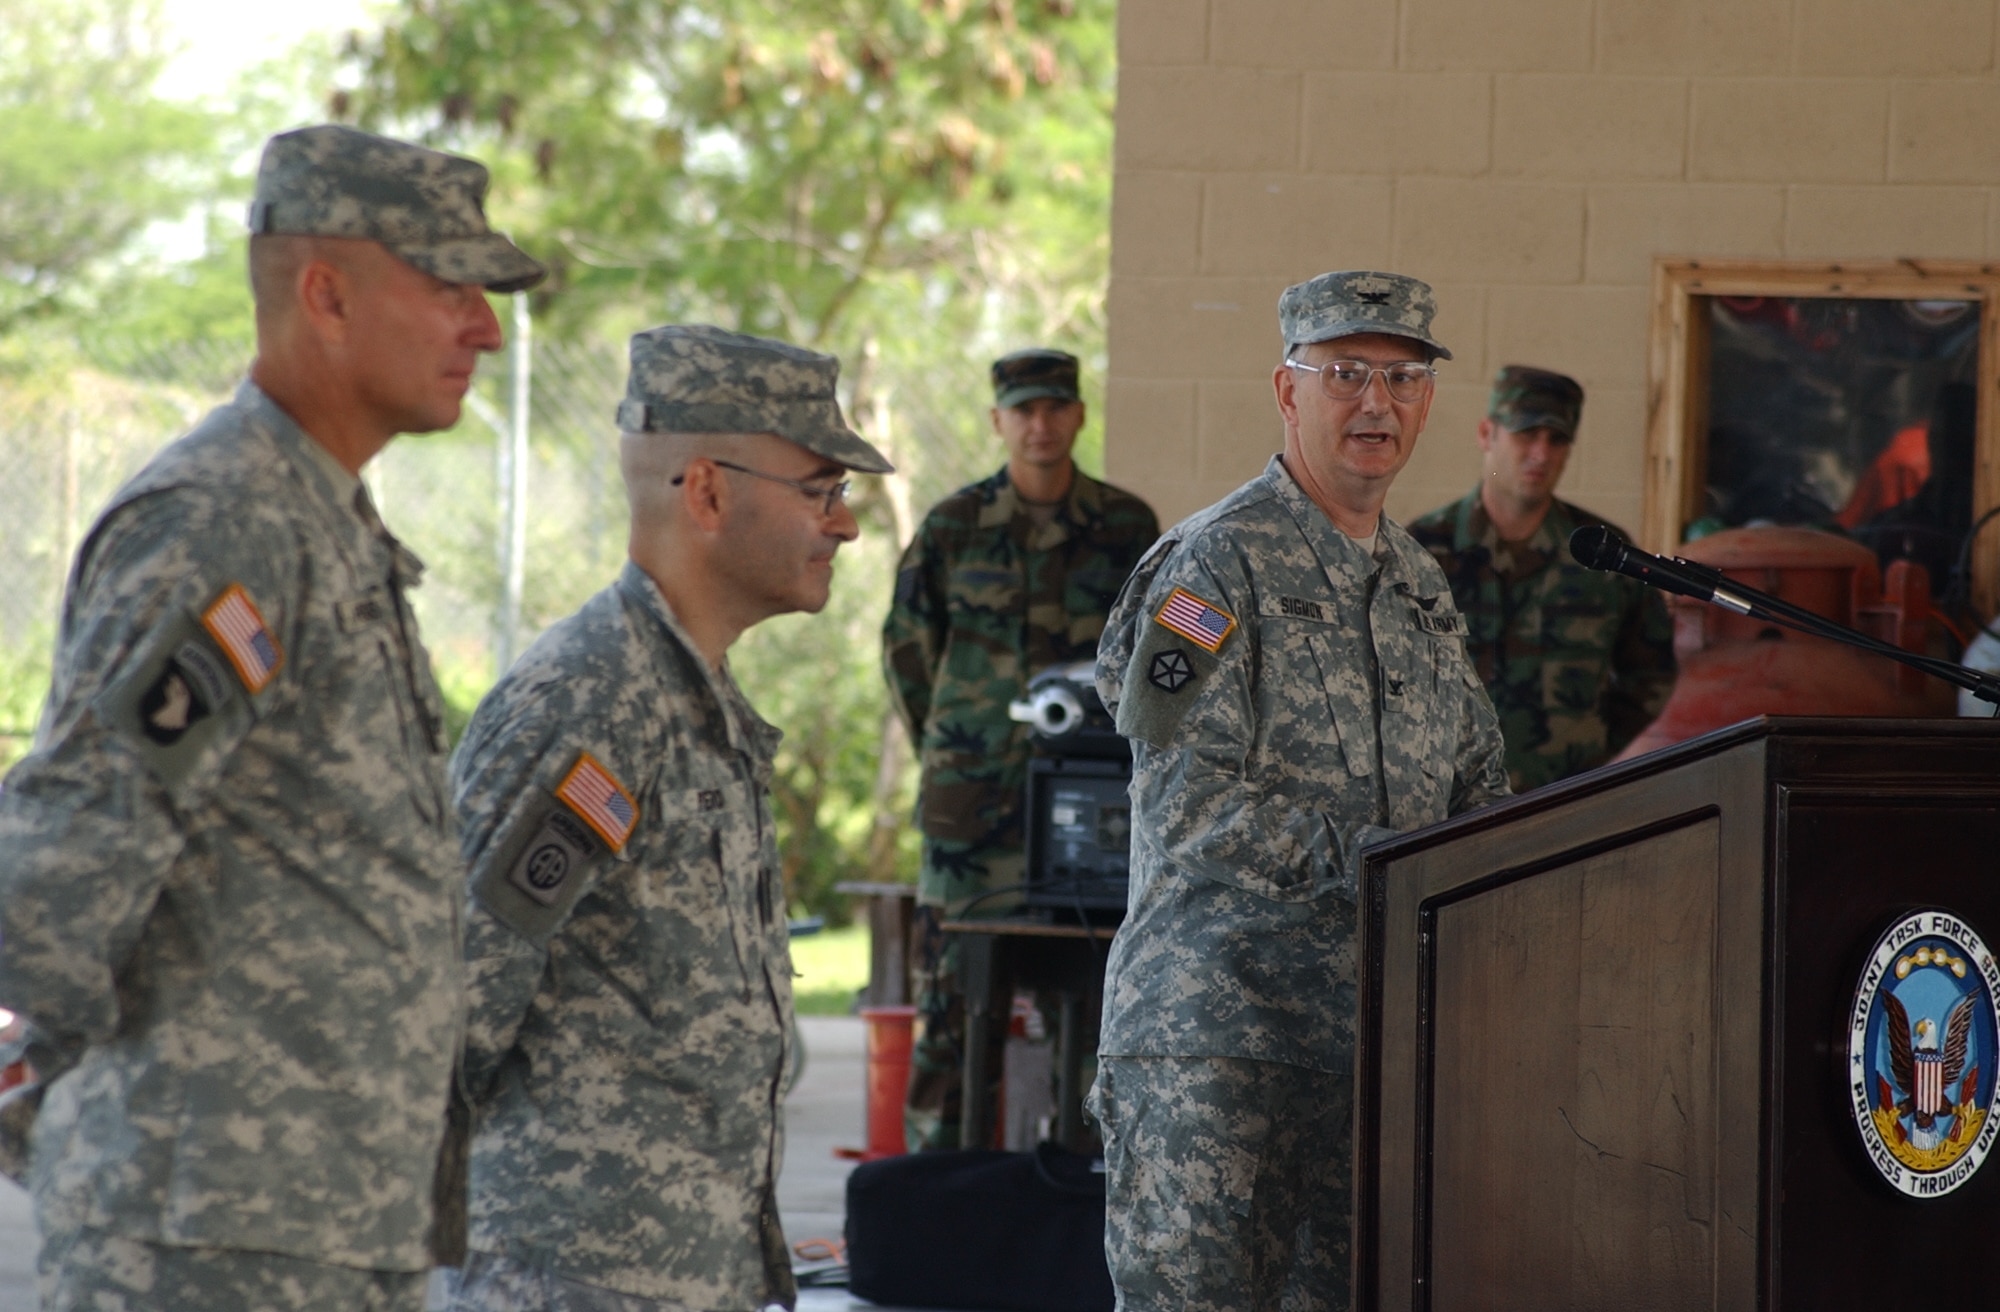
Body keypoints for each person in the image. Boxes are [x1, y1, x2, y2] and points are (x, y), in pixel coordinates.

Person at [0, 124, 543, 1311]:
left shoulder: (322, 521)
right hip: (206, 1234)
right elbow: (78, 836)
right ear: (325, 294)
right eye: (449, 287)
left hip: (317, 1227)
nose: (486, 327)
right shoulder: (223, 520)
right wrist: (54, 1103)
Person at [445, 325, 893, 1311]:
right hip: (568, 1279)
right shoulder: (593, 704)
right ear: (706, 491)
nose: (846, 524)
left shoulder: (689, 697)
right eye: (820, 489)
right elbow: (447, 1013)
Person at [1087, 271, 1511, 1311]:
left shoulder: (1418, 584)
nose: (1376, 402)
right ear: (1286, 391)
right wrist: (1390, 866)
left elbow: (1480, 794)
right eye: (1345, 374)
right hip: (1218, 1050)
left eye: (1402, 376)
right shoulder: (1208, 570)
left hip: (1375, 1053)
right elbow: (1185, 807)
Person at [882, 348, 1158, 1150]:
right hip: (974, 817)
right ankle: (938, 1199)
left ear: (1077, 415)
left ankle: (1079, 1202)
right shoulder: (953, 528)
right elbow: (908, 653)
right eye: (1023, 410)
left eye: (1055, 408)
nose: (1040, 426)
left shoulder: (1125, 526)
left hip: (1092, 819)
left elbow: (1152, 656)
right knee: (954, 1016)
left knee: (1098, 1017)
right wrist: (959, 745)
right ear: (999, 421)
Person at [1407, 366, 1676, 791]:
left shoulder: (1602, 553)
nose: (1541, 453)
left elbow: (1653, 673)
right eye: (1526, 434)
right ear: (1486, 434)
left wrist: (1593, 748)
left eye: (1557, 439)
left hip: (1564, 802)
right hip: (1447, 804)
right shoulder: (1420, 549)